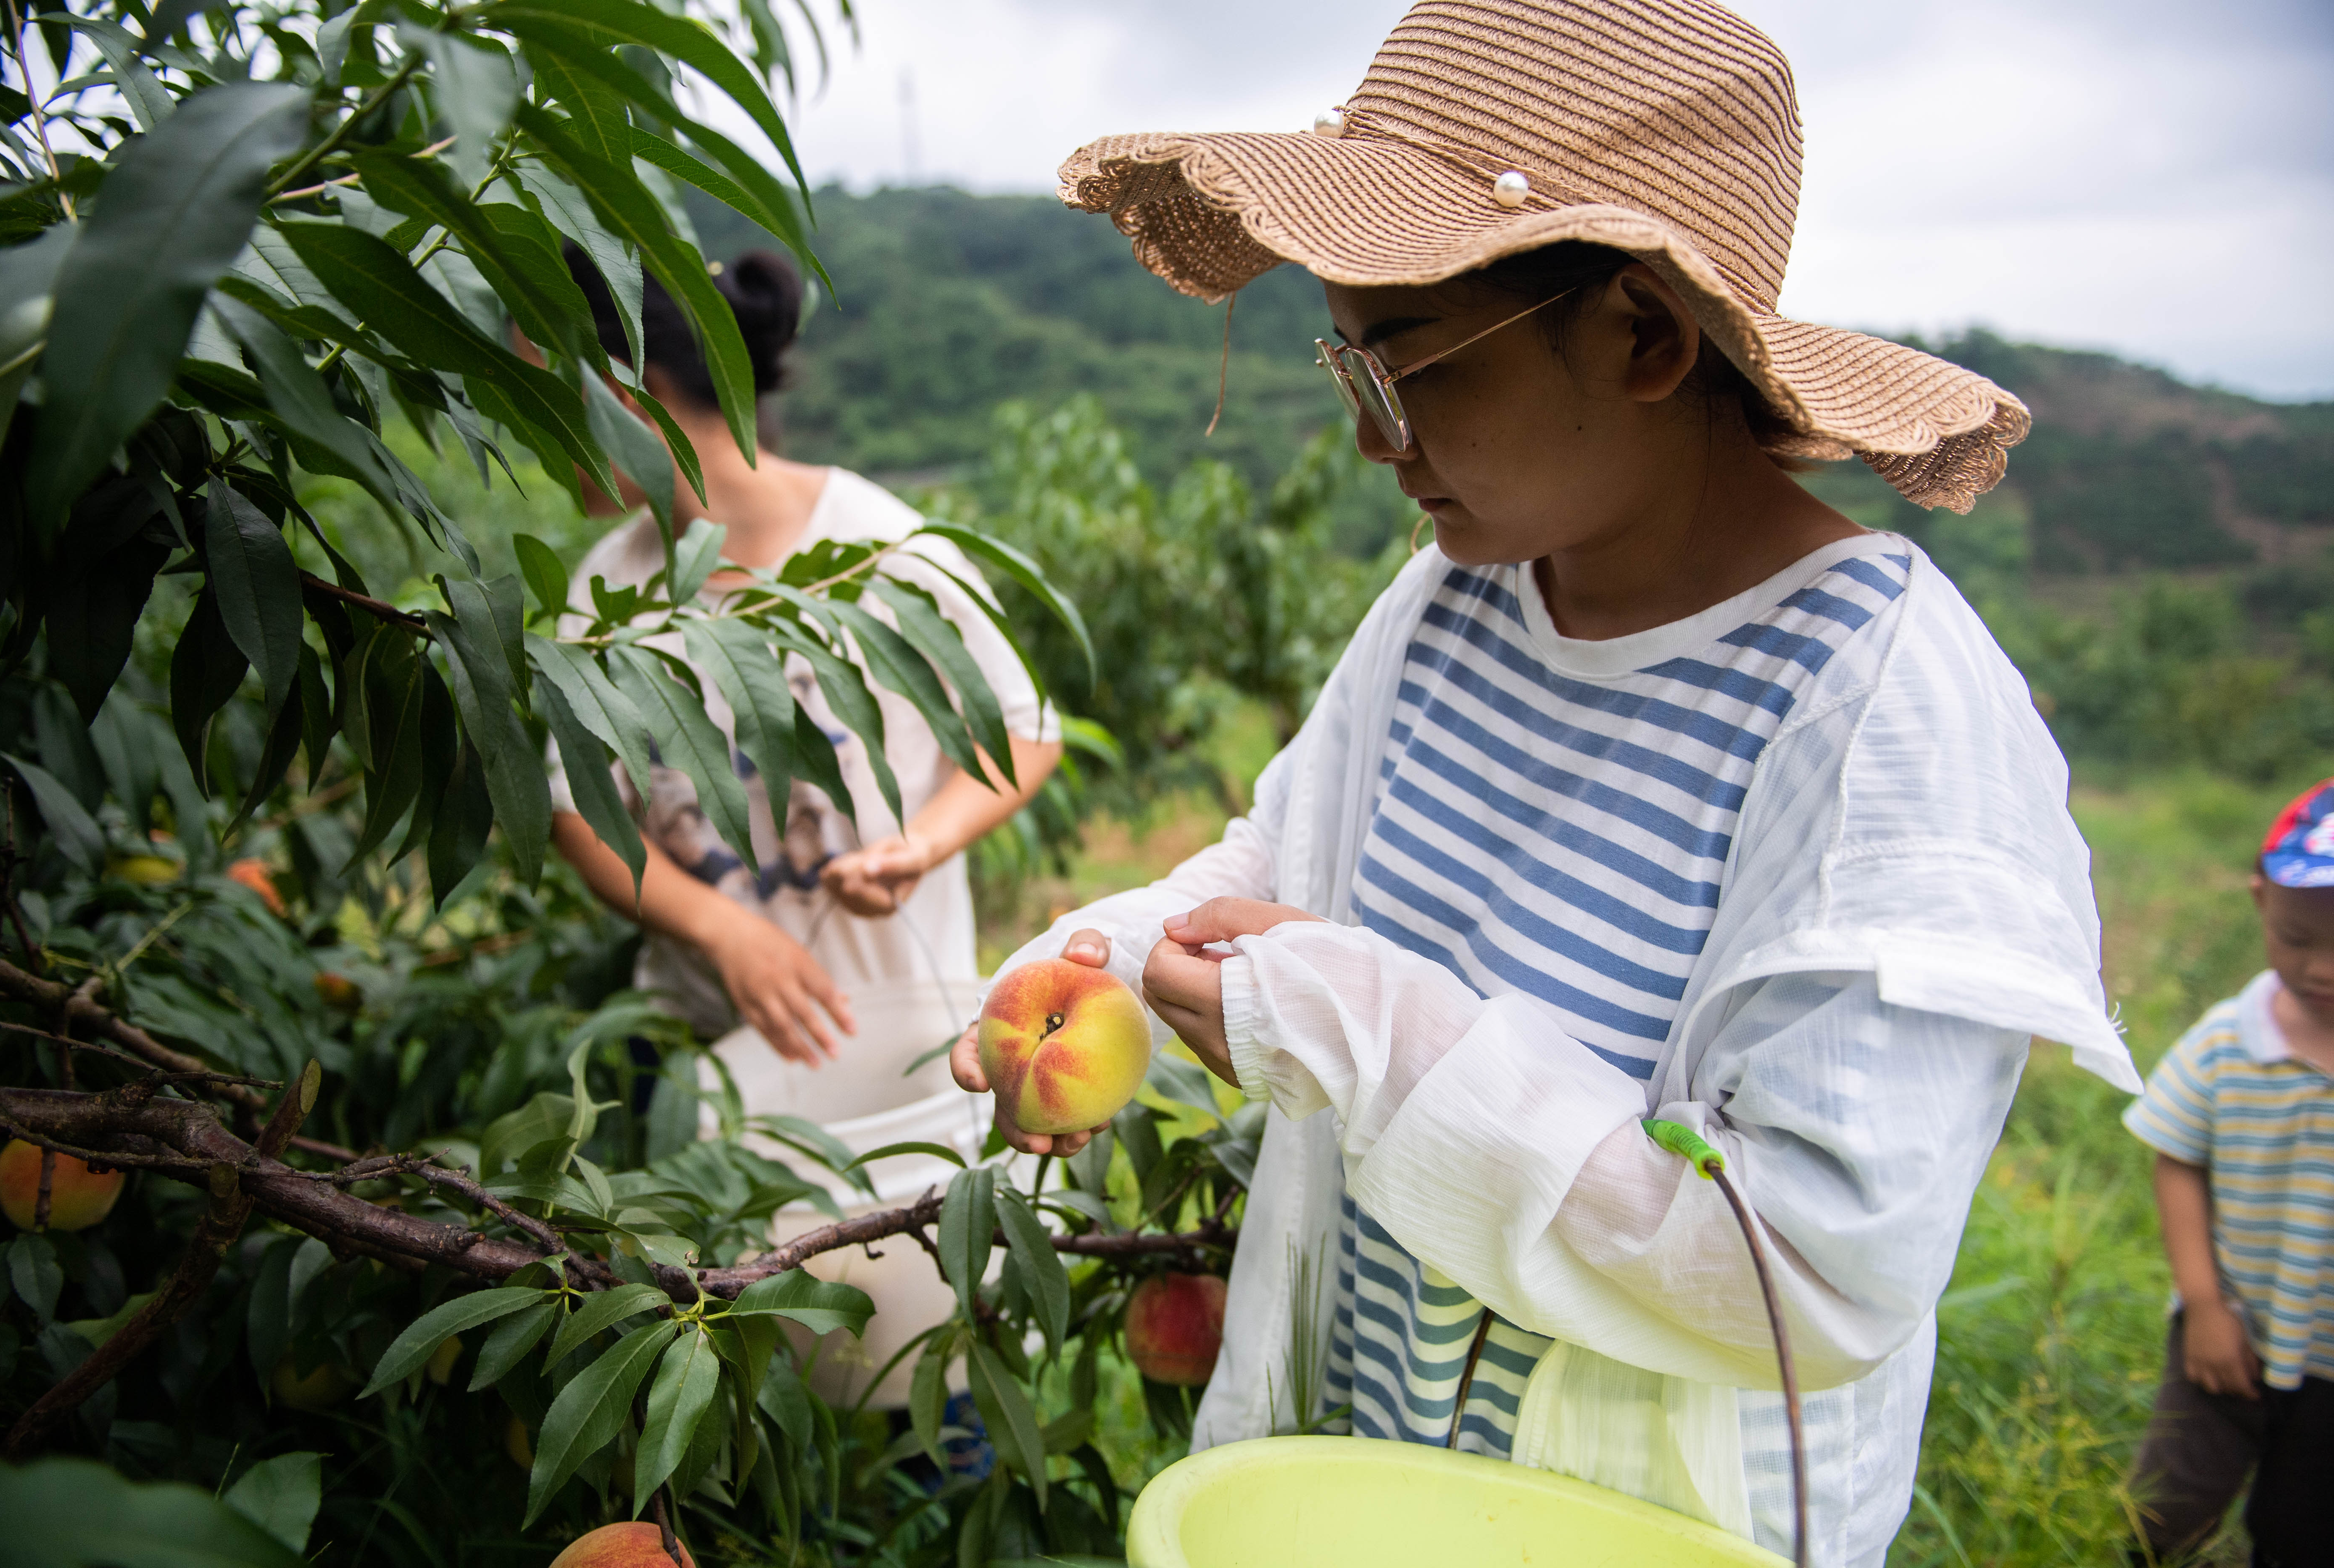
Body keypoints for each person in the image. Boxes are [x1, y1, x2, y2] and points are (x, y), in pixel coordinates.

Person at [948, 2, 2139, 1561]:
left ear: (1643, 336)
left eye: (1409, 371)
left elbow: (1811, 1280)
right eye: (1349, 366)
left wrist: (1370, 1032)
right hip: (1375, 1474)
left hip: (1639, 1524)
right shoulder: (1460, 595)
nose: (1373, 442)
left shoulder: (1871, 709)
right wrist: (1096, 958)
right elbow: (1287, 862)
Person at [545, 247, 1061, 1066]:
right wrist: (722, 931)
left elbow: (1025, 729)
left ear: (625, 397)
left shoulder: (883, 549)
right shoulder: (609, 584)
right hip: (698, 1049)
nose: (534, 435)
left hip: (896, 1044)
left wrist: (922, 844)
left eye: (551, 399)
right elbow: (579, 810)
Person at [2122, 780, 2334, 1567]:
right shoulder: (2227, 1042)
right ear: (2261, 902)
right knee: (2165, 1512)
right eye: (2297, 938)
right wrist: (2206, 1306)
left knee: (2301, 1530)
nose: (2322, 970)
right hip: (2228, 1335)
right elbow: (2178, 1158)